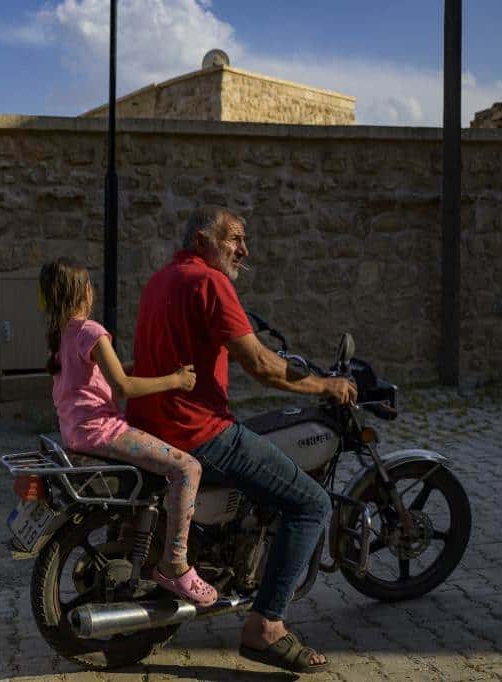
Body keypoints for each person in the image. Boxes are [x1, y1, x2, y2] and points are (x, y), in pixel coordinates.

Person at [126, 205, 357, 674]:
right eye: (233, 238)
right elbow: (262, 365)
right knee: (311, 503)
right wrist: (323, 385)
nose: (243, 249)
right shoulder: (211, 282)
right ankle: (267, 625)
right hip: (199, 431)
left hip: (153, 427)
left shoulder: (160, 280)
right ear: (202, 241)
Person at [39, 258, 218, 606]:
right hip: (104, 433)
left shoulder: (62, 336)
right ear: (84, 291)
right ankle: (175, 564)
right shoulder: (91, 331)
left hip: (77, 435)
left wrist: (155, 371)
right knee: (187, 468)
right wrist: (176, 380)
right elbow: (123, 386)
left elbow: (104, 377)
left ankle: (135, 541)